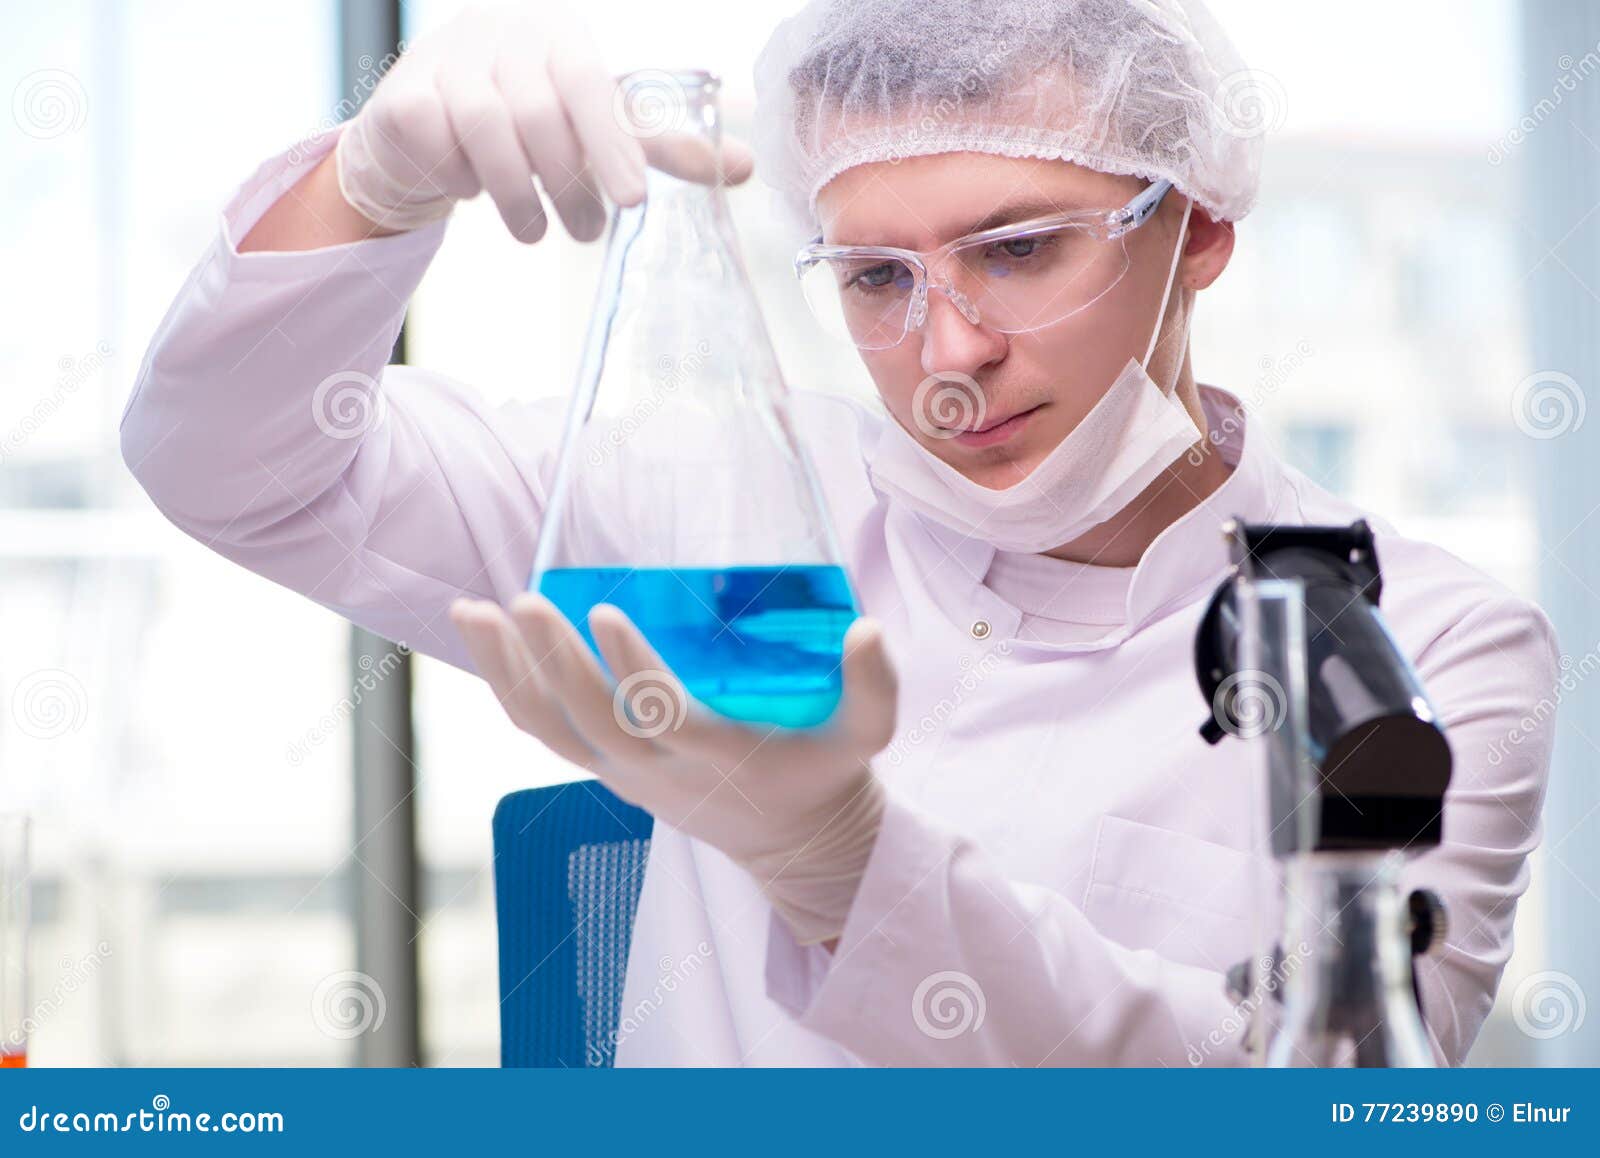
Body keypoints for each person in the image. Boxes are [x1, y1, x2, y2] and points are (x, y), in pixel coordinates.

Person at [122, 0, 1558, 1066]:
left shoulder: (1419, 642)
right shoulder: (716, 499)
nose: (950, 348)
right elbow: (233, 466)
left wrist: (840, 855)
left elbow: (1348, 1091)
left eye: (1015, 249)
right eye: (875, 276)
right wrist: (367, 189)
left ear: (1194, 232)